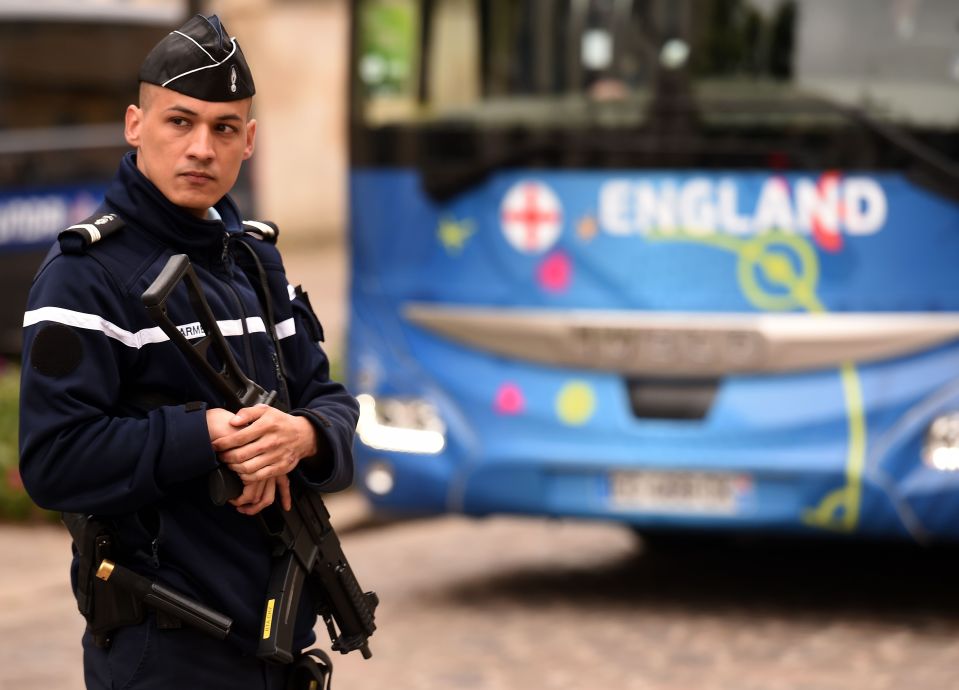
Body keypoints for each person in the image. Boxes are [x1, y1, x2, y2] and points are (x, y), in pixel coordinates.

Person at [18, 14, 358, 689]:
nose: (202, 147)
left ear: (249, 141)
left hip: (276, 649)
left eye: (224, 128)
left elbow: (330, 401)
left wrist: (303, 436)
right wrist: (204, 436)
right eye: (180, 122)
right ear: (135, 125)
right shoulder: (85, 275)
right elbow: (53, 462)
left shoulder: (258, 264)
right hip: (163, 650)